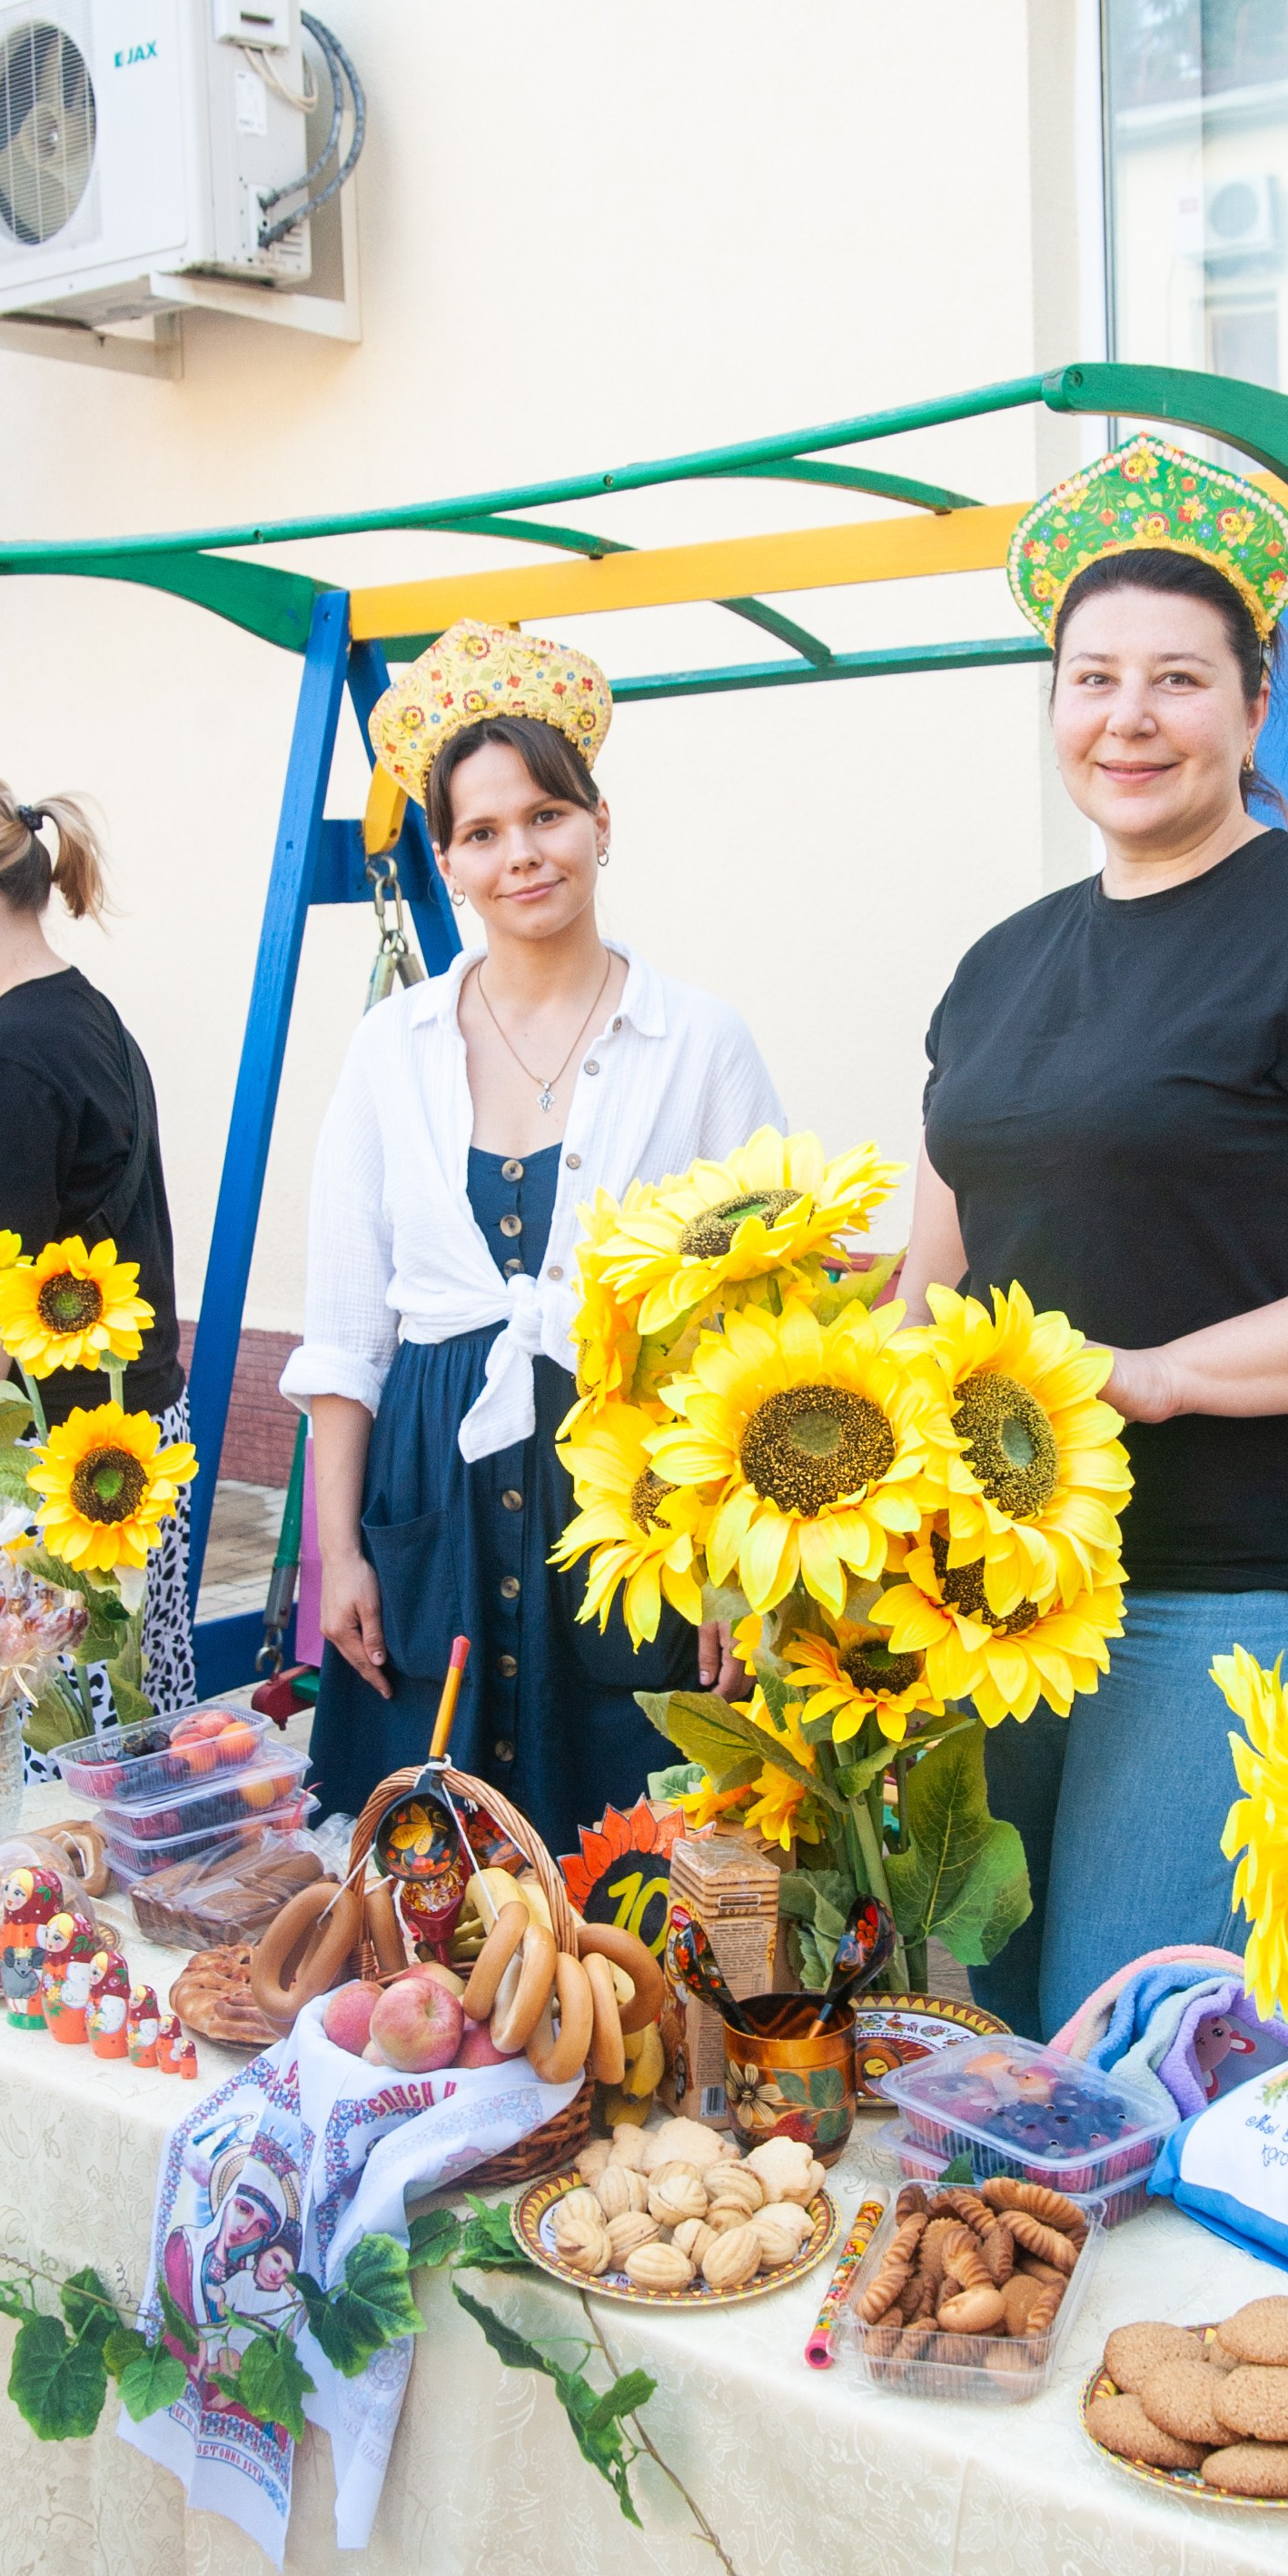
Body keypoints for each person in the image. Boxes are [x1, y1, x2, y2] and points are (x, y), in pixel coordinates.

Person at [899, 436, 1288, 2037]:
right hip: (1014, 1587)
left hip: (1243, 1567)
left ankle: (1156, 2292)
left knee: (1131, 2031)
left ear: (1252, 711)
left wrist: (1165, 1376)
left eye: (1176, 679)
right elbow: (937, 1277)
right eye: (1089, 676)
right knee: (1009, 1988)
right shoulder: (998, 963)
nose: (1126, 716)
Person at [281, 621, 781, 1847]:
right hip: (429, 1485)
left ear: (600, 821)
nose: (522, 855)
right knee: (427, 1861)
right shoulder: (389, 1050)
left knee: (634, 1871)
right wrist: (336, 1554)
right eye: (482, 833)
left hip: (633, 1504)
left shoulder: (700, 1041)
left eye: (546, 816)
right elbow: (347, 1336)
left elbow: (761, 1333)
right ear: (445, 860)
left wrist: (732, 1570)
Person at [0, 779, 194, 1723]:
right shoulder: (93, 1017)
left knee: (46, 1796)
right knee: (140, 1748)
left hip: (53, 1479)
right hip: (136, 1444)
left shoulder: (10, 1058)